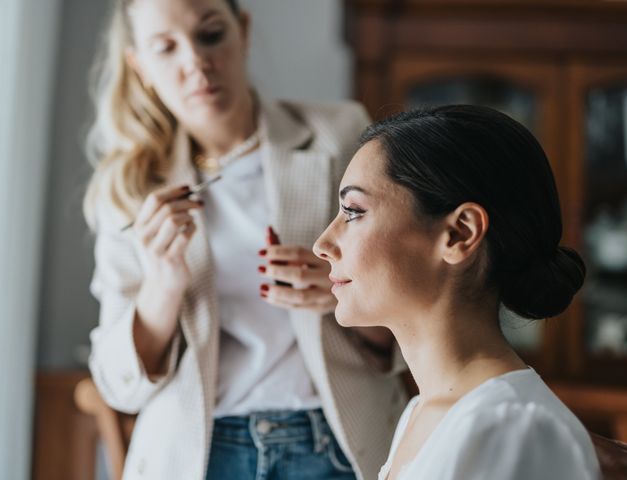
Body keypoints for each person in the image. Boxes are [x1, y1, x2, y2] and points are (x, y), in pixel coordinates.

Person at [83, 0, 407, 479]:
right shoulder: (128, 189)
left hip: (339, 443)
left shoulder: (339, 136)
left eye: (210, 34)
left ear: (244, 31)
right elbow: (119, 386)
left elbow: (409, 319)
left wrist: (343, 291)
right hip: (198, 455)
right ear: (140, 67)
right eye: (166, 48)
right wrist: (163, 286)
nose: (195, 61)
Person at [313, 105, 602, 480]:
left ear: (459, 233)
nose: (322, 244)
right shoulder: (422, 411)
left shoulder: (510, 427)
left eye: (353, 210)